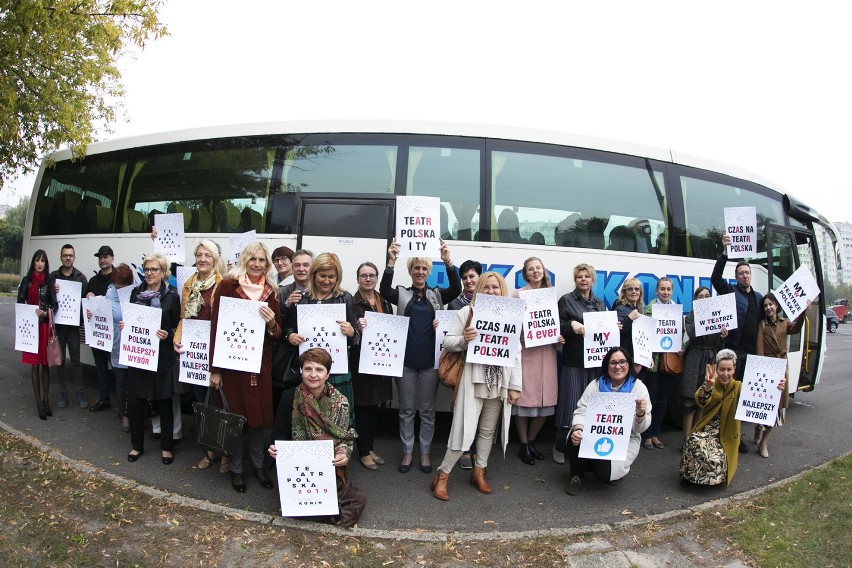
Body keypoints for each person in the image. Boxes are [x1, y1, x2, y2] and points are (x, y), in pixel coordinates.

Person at [431, 272, 522, 500]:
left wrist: (515, 386)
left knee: (488, 431)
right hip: (473, 379)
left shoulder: (511, 315)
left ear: (502, 290)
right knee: (464, 428)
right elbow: (448, 342)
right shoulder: (467, 312)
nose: (491, 291)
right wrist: (464, 340)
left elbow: (516, 354)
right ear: (479, 289)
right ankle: (442, 475)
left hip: (499, 381)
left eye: (495, 287)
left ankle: (479, 472)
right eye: (487, 287)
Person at [380, 238, 461, 474]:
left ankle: (424, 453)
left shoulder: (436, 294)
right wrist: (391, 262)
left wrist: (448, 262)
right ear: (411, 270)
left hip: (430, 363)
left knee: (427, 410)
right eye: (416, 267)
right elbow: (384, 290)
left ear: (428, 271)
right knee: (406, 409)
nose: (420, 272)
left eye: (424, 268)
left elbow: (455, 289)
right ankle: (407, 452)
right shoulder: (402, 293)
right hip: (405, 362)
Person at [210, 242, 282, 493]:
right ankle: (237, 470)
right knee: (236, 419)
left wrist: (273, 324)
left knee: (258, 420)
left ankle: (259, 466)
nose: (257, 264)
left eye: (262, 260)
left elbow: (277, 335)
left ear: (267, 264)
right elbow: (216, 327)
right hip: (232, 366)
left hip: (259, 366)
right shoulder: (228, 286)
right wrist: (215, 369)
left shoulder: (271, 291)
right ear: (244, 260)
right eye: (252, 259)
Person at [267, 348, 363, 528]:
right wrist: (274, 447)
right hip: (297, 464)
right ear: (301, 371)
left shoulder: (340, 401)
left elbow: (344, 437)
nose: (313, 375)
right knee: (298, 506)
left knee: (338, 503)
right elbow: (279, 432)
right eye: (308, 369)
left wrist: (343, 453)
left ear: (327, 374)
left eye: (319, 370)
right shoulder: (289, 396)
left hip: (327, 464)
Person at [679, 349, 785, 486]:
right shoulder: (711, 383)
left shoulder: (739, 387)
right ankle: (691, 478)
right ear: (716, 369)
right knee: (694, 442)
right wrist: (707, 388)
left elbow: (758, 397)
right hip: (708, 429)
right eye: (722, 370)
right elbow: (701, 401)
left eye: (729, 369)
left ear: (734, 369)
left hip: (727, 433)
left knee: (713, 454)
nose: (725, 374)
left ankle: (714, 480)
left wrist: (776, 387)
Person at [284, 252, 360, 425]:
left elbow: (356, 337)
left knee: (337, 419)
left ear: (338, 277)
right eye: (322, 276)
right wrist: (290, 336)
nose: (327, 281)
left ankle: (339, 451)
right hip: (309, 371)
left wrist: (351, 332)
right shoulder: (301, 299)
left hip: (336, 370)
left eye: (331, 277)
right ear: (314, 275)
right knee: (308, 418)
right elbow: (287, 329)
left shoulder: (344, 297)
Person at [564, 347, 651, 495]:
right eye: (613, 363)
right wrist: (578, 428)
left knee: (603, 473)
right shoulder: (596, 384)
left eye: (622, 362)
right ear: (607, 365)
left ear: (629, 364)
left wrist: (641, 413)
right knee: (573, 437)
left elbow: (640, 429)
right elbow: (581, 410)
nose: (618, 366)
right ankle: (576, 475)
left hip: (624, 440)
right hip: (594, 435)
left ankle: (599, 467)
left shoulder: (638, 387)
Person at [172, 240, 226, 471]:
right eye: (199, 255)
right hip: (194, 353)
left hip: (214, 351)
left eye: (207, 255)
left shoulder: (223, 285)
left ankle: (223, 452)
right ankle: (209, 450)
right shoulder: (189, 283)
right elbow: (184, 316)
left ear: (215, 260)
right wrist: (177, 337)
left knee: (218, 403)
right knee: (200, 403)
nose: (203, 259)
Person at [123, 253, 180, 465]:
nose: (149, 273)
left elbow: (177, 326)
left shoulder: (172, 295)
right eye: (146, 269)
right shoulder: (136, 293)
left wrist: (168, 333)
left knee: (164, 402)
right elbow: (131, 320)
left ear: (163, 272)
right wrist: (125, 326)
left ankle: (166, 447)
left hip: (162, 357)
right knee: (136, 403)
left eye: (154, 270)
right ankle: (136, 446)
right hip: (139, 355)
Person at [711, 234, 763, 454]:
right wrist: (724, 253)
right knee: (730, 396)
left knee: (745, 398)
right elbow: (715, 279)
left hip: (753, 355)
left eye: (747, 273)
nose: (744, 276)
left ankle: (740, 433)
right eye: (741, 273)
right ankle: (731, 436)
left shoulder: (759, 297)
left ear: (751, 275)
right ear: (736, 276)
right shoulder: (730, 291)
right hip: (735, 353)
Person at [554, 263, 606, 464]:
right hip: (574, 360)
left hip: (595, 362)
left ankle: (584, 445)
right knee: (570, 402)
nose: (583, 279)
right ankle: (560, 445)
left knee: (591, 404)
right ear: (575, 280)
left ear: (592, 280)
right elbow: (555, 326)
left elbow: (604, 330)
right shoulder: (566, 300)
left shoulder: (600, 303)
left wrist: (614, 327)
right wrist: (570, 325)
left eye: (587, 276)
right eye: (579, 276)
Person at [513, 257, 562, 465]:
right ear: (526, 274)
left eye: (538, 268)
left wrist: (558, 337)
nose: (535, 271)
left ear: (544, 271)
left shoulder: (551, 296)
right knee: (524, 401)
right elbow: (511, 325)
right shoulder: (518, 294)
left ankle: (532, 441)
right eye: (531, 269)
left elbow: (554, 324)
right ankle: (524, 444)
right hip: (527, 352)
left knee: (545, 402)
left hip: (547, 353)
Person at [754, 294, 809, 458]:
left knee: (776, 408)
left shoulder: (785, 323)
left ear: (776, 306)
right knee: (763, 404)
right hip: (767, 367)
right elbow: (759, 347)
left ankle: (764, 442)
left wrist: (803, 312)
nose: (768, 308)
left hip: (781, 368)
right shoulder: (761, 324)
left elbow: (797, 328)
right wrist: (761, 369)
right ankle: (758, 427)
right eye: (765, 305)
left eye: (770, 304)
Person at [350, 261, 393, 471]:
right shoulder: (351, 302)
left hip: (380, 362)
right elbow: (348, 335)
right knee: (363, 409)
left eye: (372, 275)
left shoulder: (383, 301)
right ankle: (364, 452)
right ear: (358, 279)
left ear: (376, 278)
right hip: (361, 363)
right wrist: (357, 328)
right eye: (364, 275)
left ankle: (371, 447)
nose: (368, 279)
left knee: (375, 408)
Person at [681, 287, 727, 440]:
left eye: (707, 296)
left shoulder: (717, 317)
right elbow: (693, 335)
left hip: (710, 359)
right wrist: (702, 315)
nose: (705, 299)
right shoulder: (689, 317)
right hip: (694, 358)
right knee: (689, 402)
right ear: (695, 299)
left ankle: (696, 437)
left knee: (703, 398)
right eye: (701, 296)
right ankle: (686, 439)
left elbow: (718, 346)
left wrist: (722, 337)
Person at [448, 259, 482, 469]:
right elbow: (450, 335)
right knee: (462, 410)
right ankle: (465, 450)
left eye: (472, 276)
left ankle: (478, 449)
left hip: (486, 364)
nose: (468, 281)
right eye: (465, 277)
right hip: (463, 363)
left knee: (482, 409)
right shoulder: (455, 304)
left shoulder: (493, 302)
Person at [17, 249, 58, 420]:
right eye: (37, 260)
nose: (40, 263)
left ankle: (46, 400)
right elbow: (19, 303)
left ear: (45, 264)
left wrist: (46, 311)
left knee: (46, 365)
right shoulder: (26, 281)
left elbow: (55, 306)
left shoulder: (49, 282)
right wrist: (30, 311)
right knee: (35, 366)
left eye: (42, 261)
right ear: (33, 262)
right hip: (31, 329)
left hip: (44, 328)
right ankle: (38, 403)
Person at [642, 277, 681, 450]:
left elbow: (680, 334)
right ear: (656, 291)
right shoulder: (648, 310)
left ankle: (656, 434)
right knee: (651, 400)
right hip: (654, 362)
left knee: (664, 400)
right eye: (662, 289)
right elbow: (643, 334)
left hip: (670, 361)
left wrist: (681, 347)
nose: (665, 292)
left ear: (672, 291)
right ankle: (647, 435)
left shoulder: (676, 310)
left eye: (668, 289)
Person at [49, 243, 89, 409]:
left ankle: (80, 393)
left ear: (74, 257)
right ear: (61, 257)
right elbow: (45, 298)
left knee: (76, 362)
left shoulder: (81, 277)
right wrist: (51, 290)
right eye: (65, 255)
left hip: (73, 328)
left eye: (70, 255)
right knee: (60, 362)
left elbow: (85, 302)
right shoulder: (52, 277)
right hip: (58, 327)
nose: (67, 258)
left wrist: (89, 297)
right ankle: (63, 393)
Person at [85, 245, 116, 412]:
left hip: (114, 333)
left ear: (112, 258)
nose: (102, 260)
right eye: (100, 257)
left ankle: (124, 405)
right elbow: (86, 307)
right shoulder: (93, 281)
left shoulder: (118, 278)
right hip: (97, 332)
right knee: (101, 368)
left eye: (106, 257)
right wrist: (88, 297)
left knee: (118, 369)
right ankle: (105, 399)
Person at [105, 264, 135, 432]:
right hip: (117, 345)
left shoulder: (136, 291)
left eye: (123, 286)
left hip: (133, 345)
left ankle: (134, 412)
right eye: (118, 285)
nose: (120, 288)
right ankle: (124, 414)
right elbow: (102, 313)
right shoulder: (110, 293)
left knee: (134, 383)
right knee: (121, 383)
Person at [613, 277, 644, 365]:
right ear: (625, 292)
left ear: (640, 292)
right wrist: (629, 319)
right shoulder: (620, 308)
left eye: (636, 289)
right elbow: (617, 334)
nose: (634, 291)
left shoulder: (639, 309)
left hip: (637, 356)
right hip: (626, 357)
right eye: (630, 289)